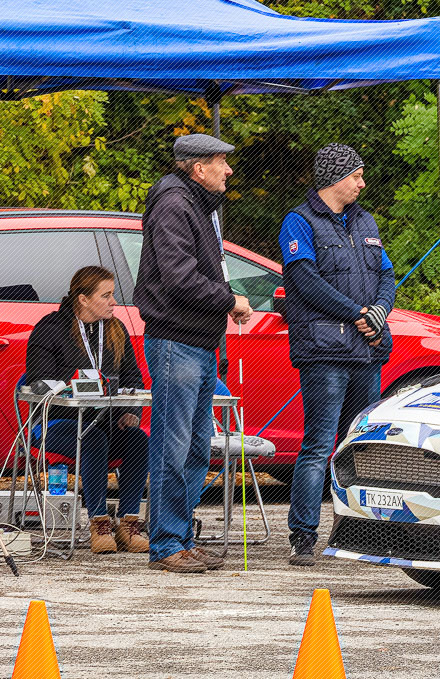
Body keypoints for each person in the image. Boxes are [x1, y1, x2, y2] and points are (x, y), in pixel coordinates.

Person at [136, 133, 252, 573]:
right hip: (176, 341)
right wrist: (230, 300)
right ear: (199, 168)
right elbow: (180, 278)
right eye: (222, 162)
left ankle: (181, 537)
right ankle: (166, 544)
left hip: (199, 343)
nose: (229, 170)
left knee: (197, 450)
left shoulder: (197, 205)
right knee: (174, 446)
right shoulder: (174, 204)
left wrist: (224, 301)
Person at [278, 143, 395, 566]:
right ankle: (303, 536)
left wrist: (379, 311)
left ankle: (359, 532)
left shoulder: (366, 220)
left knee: (360, 447)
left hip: (366, 351)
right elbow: (305, 282)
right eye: (356, 176)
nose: (362, 183)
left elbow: (387, 274)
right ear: (335, 178)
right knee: (319, 445)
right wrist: (356, 313)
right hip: (324, 352)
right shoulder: (298, 221)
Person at [24, 266, 150, 553]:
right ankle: (99, 523)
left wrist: (131, 412)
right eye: (106, 295)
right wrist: (75, 388)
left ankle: (129, 524)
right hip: (56, 424)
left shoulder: (116, 330)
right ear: (83, 299)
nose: (113, 302)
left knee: (138, 439)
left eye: (113, 294)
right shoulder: (50, 329)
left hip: (107, 423)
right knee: (92, 438)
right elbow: (38, 381)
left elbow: (133, 379)